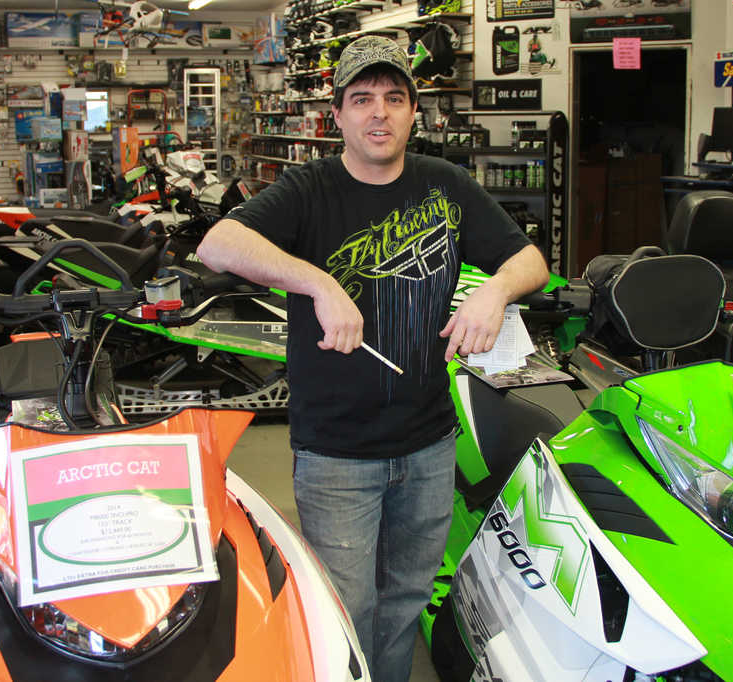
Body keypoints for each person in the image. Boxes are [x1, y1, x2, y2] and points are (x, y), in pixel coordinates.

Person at [196, 35, 549, 682]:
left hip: (428, 441)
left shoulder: (446, 185)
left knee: (407, 602)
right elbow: (218, 243)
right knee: (348, 606)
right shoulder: (309, 189)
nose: (378, 113)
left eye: (394, 98)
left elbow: (530, 261)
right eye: (362, 100)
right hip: (337, 453)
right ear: (338, 116)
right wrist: (320, 283)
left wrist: (496, 291)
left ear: (416, 111)